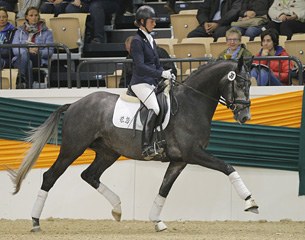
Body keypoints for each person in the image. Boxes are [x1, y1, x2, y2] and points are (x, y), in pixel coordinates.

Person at [129, 5, 173, 160]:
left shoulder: (151, 39)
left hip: (152, 82)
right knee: (154, 107)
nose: (154, 23)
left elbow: (156, 63)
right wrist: (160, 73)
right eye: (151, 21)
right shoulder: (136, 41)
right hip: (140, 82)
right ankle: (146, 147)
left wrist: (165, 74)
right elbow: (140, 67)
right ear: (142, 21)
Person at [12, 6, 54, 88]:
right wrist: (27, 51)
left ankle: (21, 80)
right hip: (20, 59)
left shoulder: (47, 32)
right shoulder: (18, 31)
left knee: (28, 59)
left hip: (37, 58)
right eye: (31, 15)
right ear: (26, 17)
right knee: (28, 62)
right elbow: (15, 49)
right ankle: (27, 84)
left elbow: (50, 51)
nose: (34, 17)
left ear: (39, 16)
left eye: (36, 15)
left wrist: (39, 51)